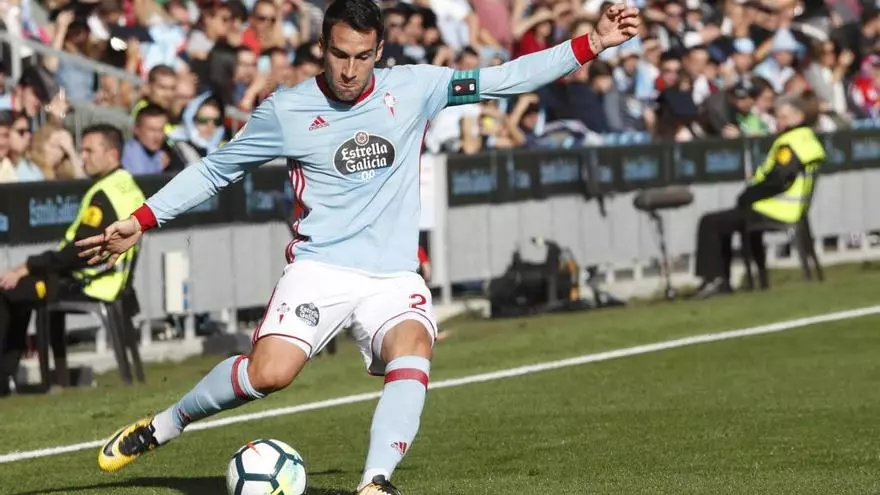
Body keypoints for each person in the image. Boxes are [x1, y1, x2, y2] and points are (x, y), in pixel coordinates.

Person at [76, 1, 640, 493]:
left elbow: (505, 78)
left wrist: (592, 43)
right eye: (340, 55)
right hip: (320, 267)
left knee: (413, 346)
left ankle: (375, 481)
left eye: (363, 56)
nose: (350, 70)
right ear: (322, 48)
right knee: (269, 375)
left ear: (379, 51)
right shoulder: (286, 111)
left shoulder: (414, 87)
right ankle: (165, 425)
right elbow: (214, 170)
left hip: (393, 275)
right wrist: (143, 219)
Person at [0, 125, 145, 396]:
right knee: (21, 289)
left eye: (89, 150)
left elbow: (79, 252)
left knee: (10, 288)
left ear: (112, 154)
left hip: (89, 282)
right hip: (112, 280)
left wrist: (28, 266)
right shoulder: (126, 185)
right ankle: (32, 377)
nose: (82, 156)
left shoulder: (104, 194)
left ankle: (5, 379)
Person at [692, 92, 825, 299]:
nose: (778, 121)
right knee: (723, 221)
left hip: (772, 208)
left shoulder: (788, 143)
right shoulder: (808, 138)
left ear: (798, 116)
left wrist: (748, 195)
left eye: (783, 117)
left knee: (710, 222)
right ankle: (722, 280)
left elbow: (779, 179)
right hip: (792, 209)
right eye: (777, 117)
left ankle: (715, 280)